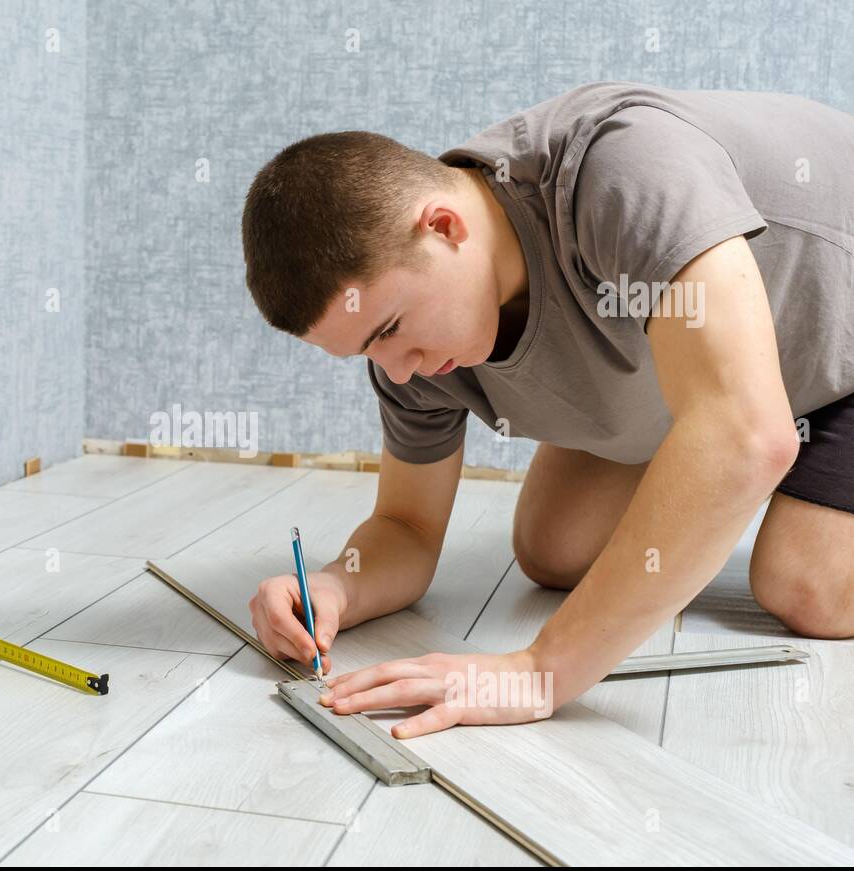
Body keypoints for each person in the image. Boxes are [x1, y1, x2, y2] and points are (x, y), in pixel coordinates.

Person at [240, 82, 854, 738]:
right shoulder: (414, 353)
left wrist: (542, 670)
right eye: (364, 352)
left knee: (809, 585)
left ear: (443, 227)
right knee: (556, 548)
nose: (395, 372)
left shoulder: (622, 170)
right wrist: (337, 588)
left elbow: (746, 437)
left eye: (387, 329)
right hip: (749, 359)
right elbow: (407, 525)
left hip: (837, 336)